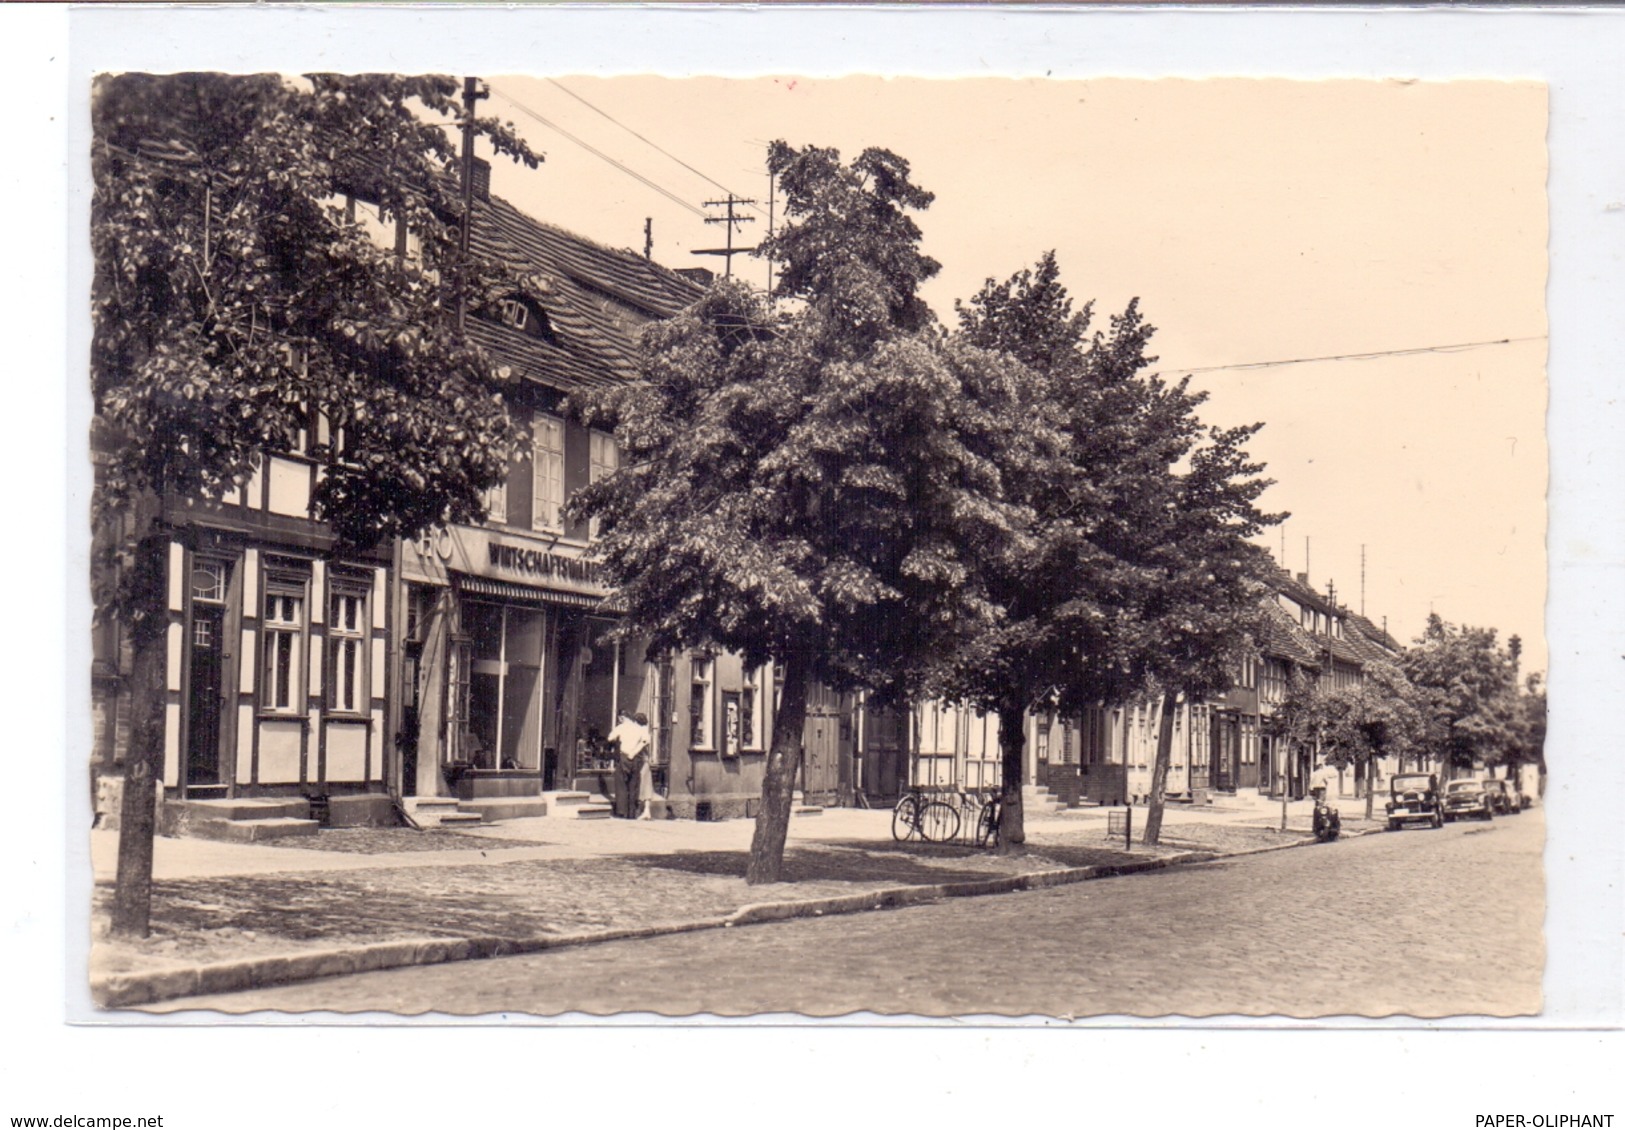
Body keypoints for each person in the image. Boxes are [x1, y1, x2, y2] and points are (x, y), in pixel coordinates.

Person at [606, 709, 651, 819]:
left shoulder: (621, 727)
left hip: (624, 756)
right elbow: (646, 741)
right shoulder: (639, 728)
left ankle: (622, 811)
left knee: (621, 783)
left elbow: (610, 737)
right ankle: (632, 813)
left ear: (621, 718)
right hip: (635, 758)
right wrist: (635, 751)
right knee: (633, 785)